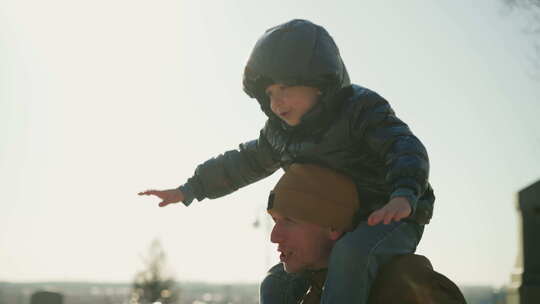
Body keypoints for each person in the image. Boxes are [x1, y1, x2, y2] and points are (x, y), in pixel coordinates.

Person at [139, 19, 435, 303]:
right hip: (336, 223)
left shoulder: (359, 111)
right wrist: (191, 188)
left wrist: (404, 194)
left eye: (285, 89)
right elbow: (243, 163)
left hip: (391, 214)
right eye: (269, 93)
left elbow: (403, 146)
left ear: (319, 82)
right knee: (277, 282)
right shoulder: (280, 135)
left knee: (353, 255)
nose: (275, 102)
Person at [264, 163, 465, 304]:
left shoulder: (412, 288)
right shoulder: (290, 289)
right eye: (275, 221)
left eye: (289, 221)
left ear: (333, 226)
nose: (274, 236)